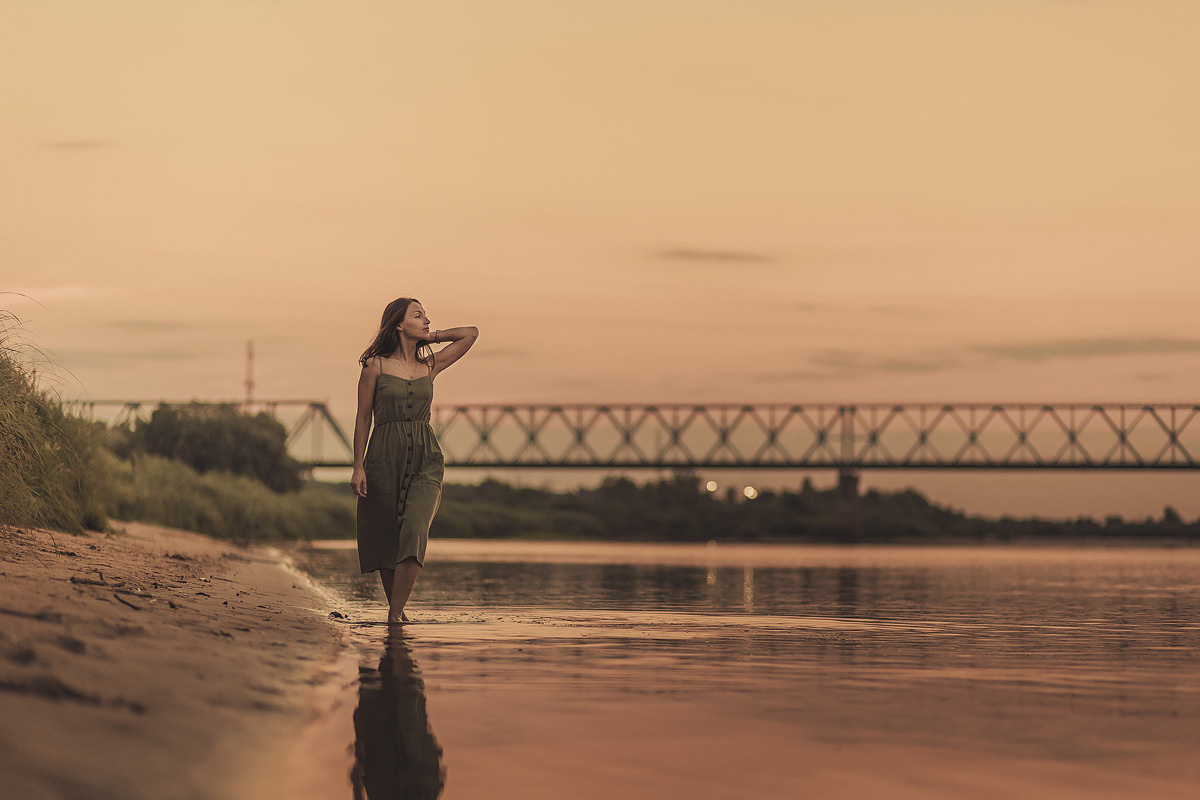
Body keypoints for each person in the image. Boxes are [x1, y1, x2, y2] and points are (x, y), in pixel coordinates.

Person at [352, 297, 478, 624]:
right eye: (418, 316)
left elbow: (471, 333)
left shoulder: (430, 366)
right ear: (398, 323)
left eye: (426, 316)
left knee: (415, 528)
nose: (426, 320)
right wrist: (358, 466)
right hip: (383, 456)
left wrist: (430, 336)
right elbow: (363, 418)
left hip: (426, 459)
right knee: (384, 535)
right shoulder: (374, 366)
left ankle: (394, 614)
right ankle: (398, 615)